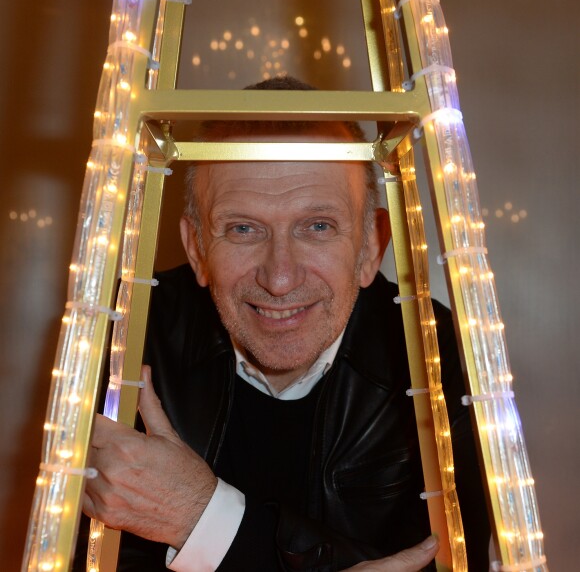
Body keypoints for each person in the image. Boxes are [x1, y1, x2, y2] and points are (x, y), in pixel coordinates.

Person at [80, 77, 489, 571]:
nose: (279, 278)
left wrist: (199, 516)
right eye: (243, 228)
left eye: (317, 226)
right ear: (197, 250)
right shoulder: (129, 334)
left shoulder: (433, 352)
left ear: (370, 248)